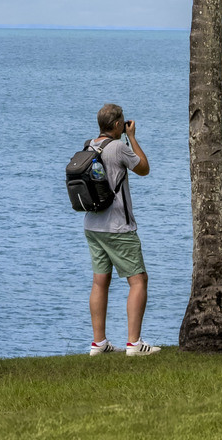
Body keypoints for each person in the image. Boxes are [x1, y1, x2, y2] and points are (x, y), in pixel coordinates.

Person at [84, 101, 156, 356]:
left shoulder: (90, 145)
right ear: (117, 125)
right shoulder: (118, 148)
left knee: (99, 282)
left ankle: (99, 343)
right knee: (138, 281)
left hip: (93, 225)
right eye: (122, 122)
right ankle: (134, 344)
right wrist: (132, 138)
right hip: (118, 227)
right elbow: (144, 168)